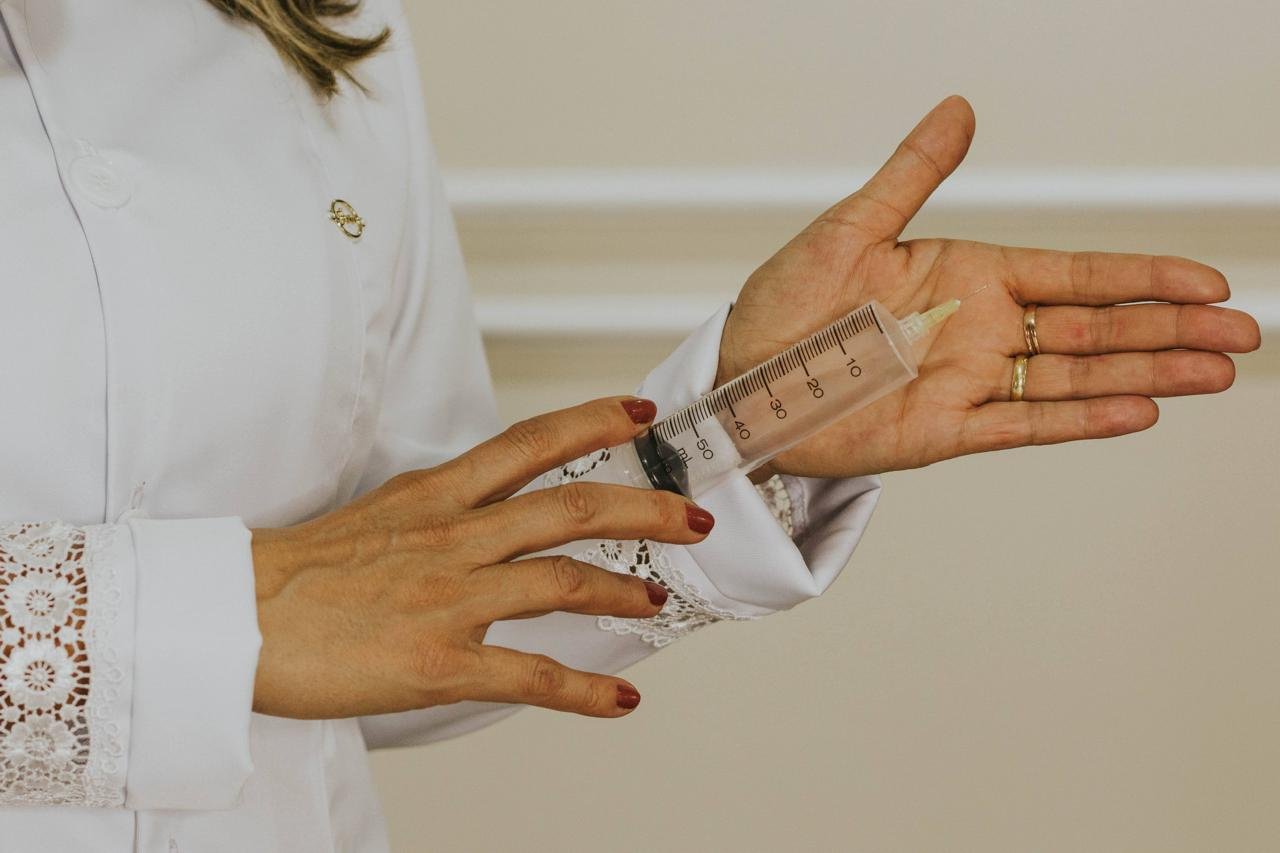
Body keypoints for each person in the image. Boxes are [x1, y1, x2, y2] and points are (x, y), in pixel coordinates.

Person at [0, 1, 1260, 851]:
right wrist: (216, 615)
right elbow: (295, 614)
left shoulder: (316, 28)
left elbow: (395, 610)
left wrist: (752, 422)